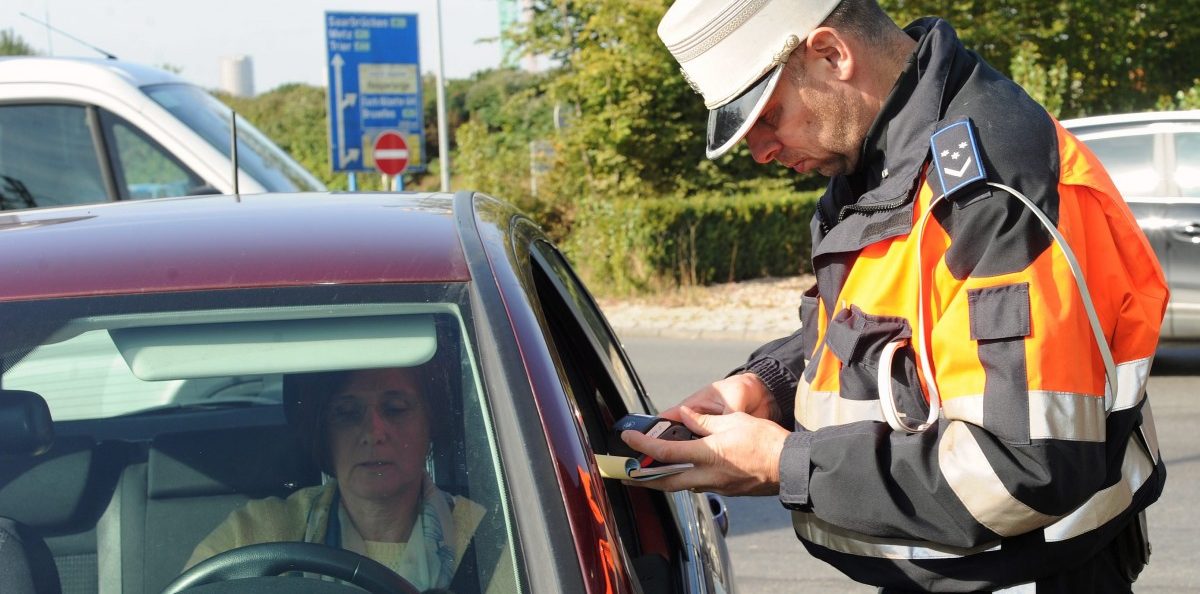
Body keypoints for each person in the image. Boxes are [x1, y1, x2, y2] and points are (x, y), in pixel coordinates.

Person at [623, 0, 1168, 591]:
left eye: (768, 117)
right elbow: (886, 336)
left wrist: (782, 463)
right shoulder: (877, 163)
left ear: (832, 54)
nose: (761, 152)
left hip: (1028, 575)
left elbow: (1023, 469)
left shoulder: (989, 192)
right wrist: (768, 388)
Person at [186, 366, 489, 591]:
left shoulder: (496, 543)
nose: (374, 432)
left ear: (431, 422)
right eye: (347, 413)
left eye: (395, 409)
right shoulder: (255, 535)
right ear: (323, 433)